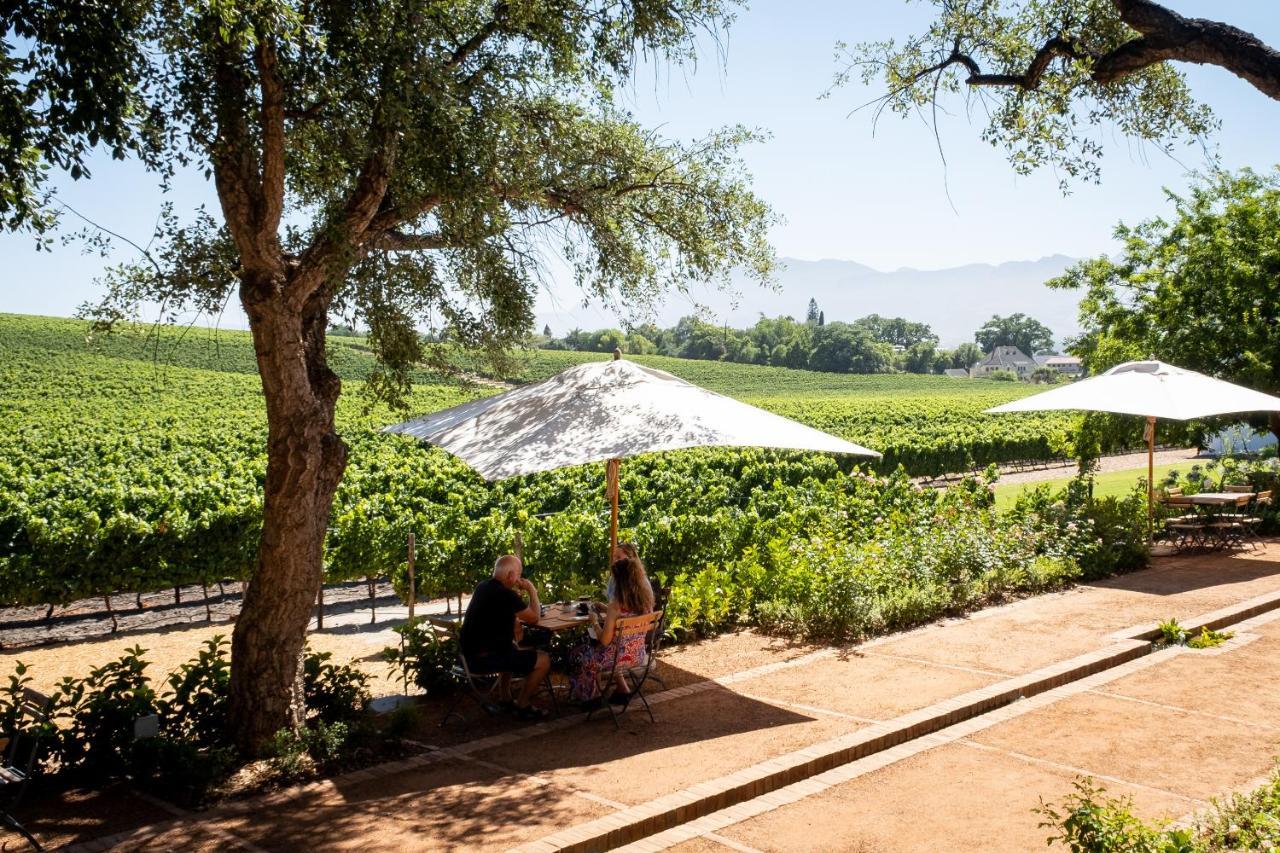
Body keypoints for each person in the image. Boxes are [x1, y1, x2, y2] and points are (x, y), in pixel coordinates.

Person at [459, 554, 551, 721]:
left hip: (468, 657)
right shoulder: (505, 594)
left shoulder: (483, 587)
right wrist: (532, 590)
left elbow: (497, 614)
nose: (518, 580)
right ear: (510, 575)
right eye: (518, 574)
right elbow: (534, 617)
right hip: (483, 660)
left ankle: (505, 698)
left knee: (511, 647)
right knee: (544, 660)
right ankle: (522, 704)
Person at [568, 547, 656, 706]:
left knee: (577, 653)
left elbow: (604, 641)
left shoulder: (616, 606)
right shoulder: (646, 602)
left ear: (620, 580)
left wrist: (594, 621)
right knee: (585, 649)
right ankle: (618, 691)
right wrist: (605, 609)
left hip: (616, 658)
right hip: (637, 654)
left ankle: (591, 698)